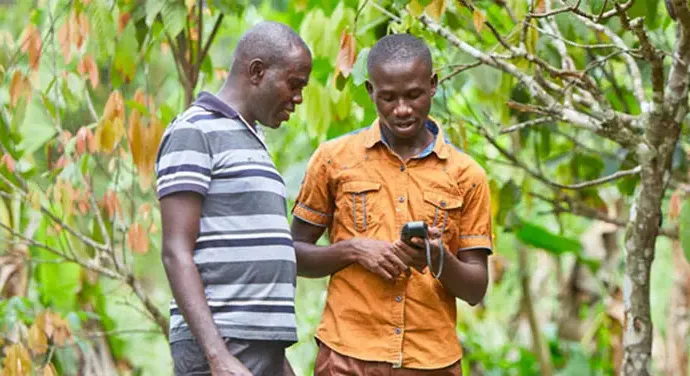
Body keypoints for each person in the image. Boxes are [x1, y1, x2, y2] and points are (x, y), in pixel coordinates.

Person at [291, 33, 492, 375]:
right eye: (387, 98)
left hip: (431, 362)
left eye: (413, 95)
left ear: (432, 85)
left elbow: (475, 288)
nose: (401, 109)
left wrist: (438, 257)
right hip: (347, 357)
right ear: (370, 91)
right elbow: (293, 253)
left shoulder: (467, 175)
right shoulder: (332, 160)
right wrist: (353, 251)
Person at [155, 21, 311, 376]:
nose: (299, 97)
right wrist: (217, 356)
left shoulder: (252, 139)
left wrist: (275, 356)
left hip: (258, 347)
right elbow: (175, 250)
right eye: (294, 84)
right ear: (257, 71)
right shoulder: (194, 131)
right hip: (223, 344)